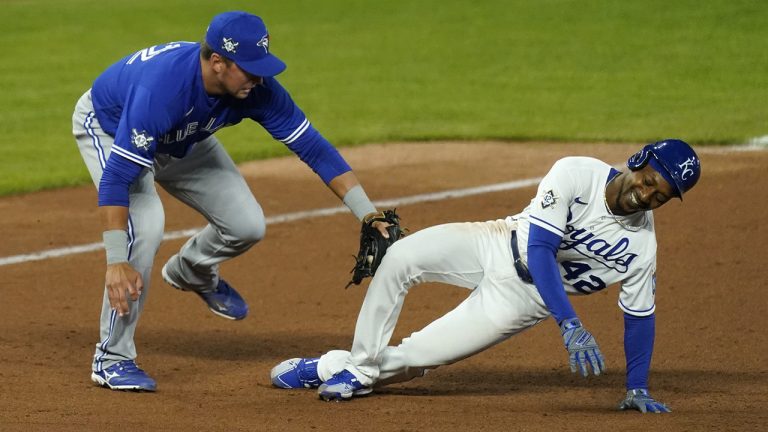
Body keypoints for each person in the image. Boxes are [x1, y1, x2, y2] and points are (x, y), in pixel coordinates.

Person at [72, 11, 391, 392]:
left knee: (246, 224)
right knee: (146, 224)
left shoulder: (256, 89)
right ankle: (111, 358)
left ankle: (192, 270)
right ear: (218, 63)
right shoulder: (162, 90)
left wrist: (367, 212)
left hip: (183, 136)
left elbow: (313, 147)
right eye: (249, 69)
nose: (258, 78)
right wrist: (115, 261)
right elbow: (117, 178)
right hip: (111, 128)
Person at [270, 139, 701, 413]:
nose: (644, 196)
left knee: (418, 357)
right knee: (400, 257)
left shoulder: (641, 248)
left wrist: (638, 386)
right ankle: (360, 368)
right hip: (496, 240)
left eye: (658, 197)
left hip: (522, 301)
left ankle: (329, 367)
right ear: (637, 160)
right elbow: (541, 248)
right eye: (647, 182)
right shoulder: (577, 173)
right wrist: (569, 322)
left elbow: (640, 316)